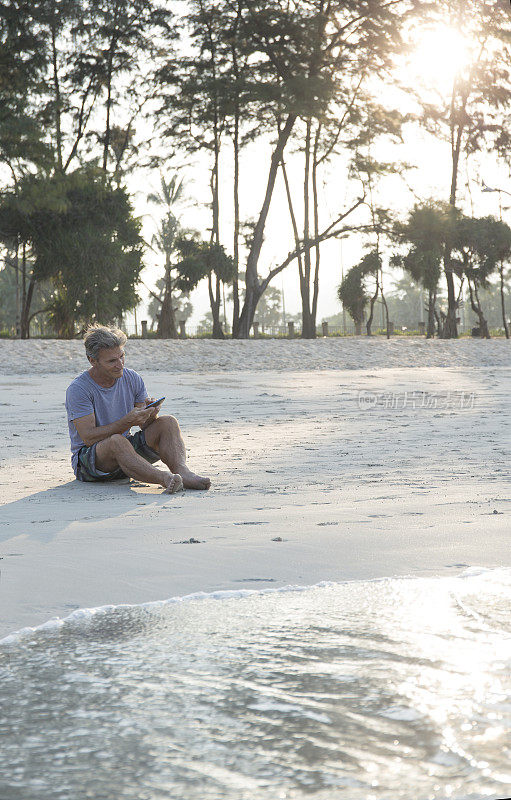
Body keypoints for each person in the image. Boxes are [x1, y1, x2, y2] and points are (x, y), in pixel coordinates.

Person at [65, 324, 211, 493]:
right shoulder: (79, 389)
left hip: (127, 458)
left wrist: (149, 414)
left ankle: (183, 472)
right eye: (112, 361)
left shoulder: (132, 378)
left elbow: (146, 426)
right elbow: (89, 437)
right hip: (90, 463)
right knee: (116, 441)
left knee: (168, 423)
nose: (119, 364)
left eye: (122, 356)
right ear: (93, 361)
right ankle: (164, 478)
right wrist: (126, 422)